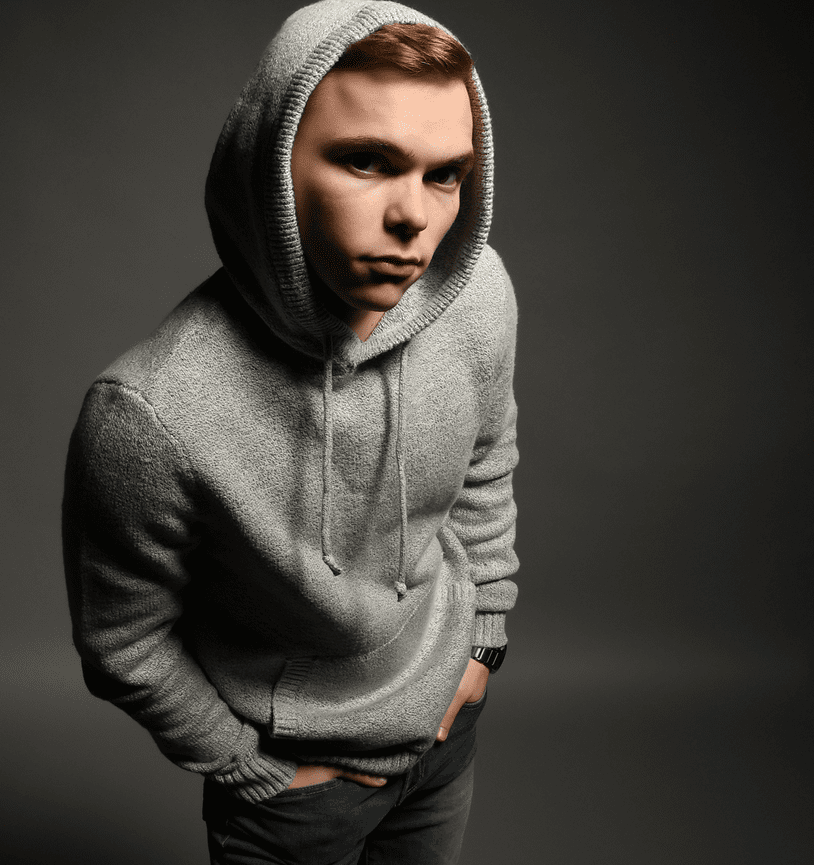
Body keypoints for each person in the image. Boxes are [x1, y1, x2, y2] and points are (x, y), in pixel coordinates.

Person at [62, 2, 519, 861]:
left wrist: (483, 641)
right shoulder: (151, 410)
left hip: (446, 734)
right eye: (366, 161)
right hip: (299, 792)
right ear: (271, 163)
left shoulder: (477, 295)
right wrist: (244, 765)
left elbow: (487, 466)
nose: (413, 218)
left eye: (444, 175)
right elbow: (121, 640)